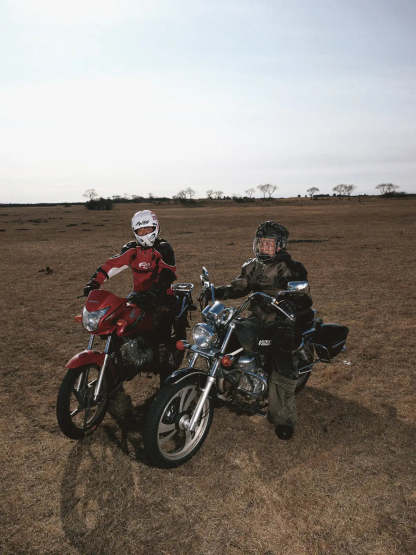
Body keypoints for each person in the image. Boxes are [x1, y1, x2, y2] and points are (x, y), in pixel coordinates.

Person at [212, 220, 313, 440]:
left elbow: (303, 297)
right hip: (258, 318)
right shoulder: (252, 266)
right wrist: (216, 292)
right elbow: (239, 286)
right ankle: (222, 387)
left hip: (283, 321)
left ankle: (283, 418)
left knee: (282, 361)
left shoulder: (291, 267)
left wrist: (290, 302)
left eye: (269, 243)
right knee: (226, 338)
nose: (264, 247)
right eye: (261, 242)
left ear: (280, 246)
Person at [83, 209, 177, 374]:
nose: (144, 233)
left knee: (160, 331)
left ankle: (165, 366)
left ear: (156, 227)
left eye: (148, 229)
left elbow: (167, 274)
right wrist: (94, 282)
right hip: (139, 295)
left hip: (162, 296)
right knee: (119, 321)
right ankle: (121, 360)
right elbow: (112, 265)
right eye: (140, 230)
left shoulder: (164, 248)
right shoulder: (131, 249)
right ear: (134, 232)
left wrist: (154, 293)